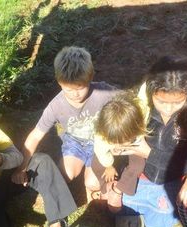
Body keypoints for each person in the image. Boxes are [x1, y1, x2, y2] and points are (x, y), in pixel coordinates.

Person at [114, 57, 187, 227]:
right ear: (151, 92)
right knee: (123, 213)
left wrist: (149, 153)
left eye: (177, 102)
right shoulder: (141, 109)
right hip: (141, 176)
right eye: (161, 102)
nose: (168, 109)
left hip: (169, 181)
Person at [15, 46, 118, 201]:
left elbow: (130, 102)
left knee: (93, 182)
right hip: (74, 142)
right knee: (65, 174)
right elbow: (35, 135)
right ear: (59, 82)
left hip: (100, 143)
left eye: (81, 88)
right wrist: (21, 167)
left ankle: (91, 185)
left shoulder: (104, 92)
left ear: (90, 77)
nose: (75, 94)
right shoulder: (56, 105)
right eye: (68, 90)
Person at [90, 93, 148, 213]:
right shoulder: (101, 135)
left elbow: (145, 95)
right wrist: (109, 166)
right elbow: (101, 152)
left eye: (123, 141)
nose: (121, 145)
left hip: (134, 147)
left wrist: (131, 146)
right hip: (110, 151)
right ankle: (106, 186)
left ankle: (118, 190)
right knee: (96, 164)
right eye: (117, 141)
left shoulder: (140, 115)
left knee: (138, 165)